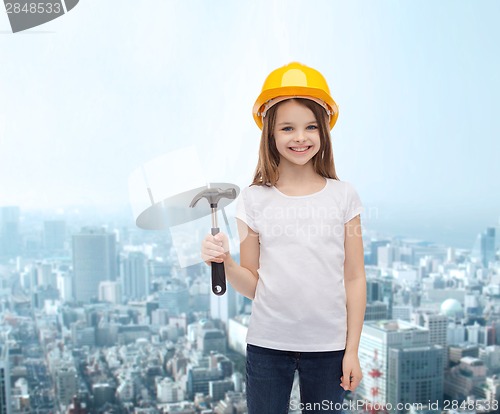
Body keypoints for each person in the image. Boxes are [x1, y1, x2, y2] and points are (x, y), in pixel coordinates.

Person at [201, 61, 366, 414]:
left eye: (310, 127)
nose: (300, 137)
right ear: (270, 134)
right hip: (267, 345)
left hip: (330, 347)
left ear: (324, 131)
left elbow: (354, 277)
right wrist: (225, 263)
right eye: (287, 128)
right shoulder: (253, 198)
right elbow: (253, 284)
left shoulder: (344, 196)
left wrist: (352, 350)